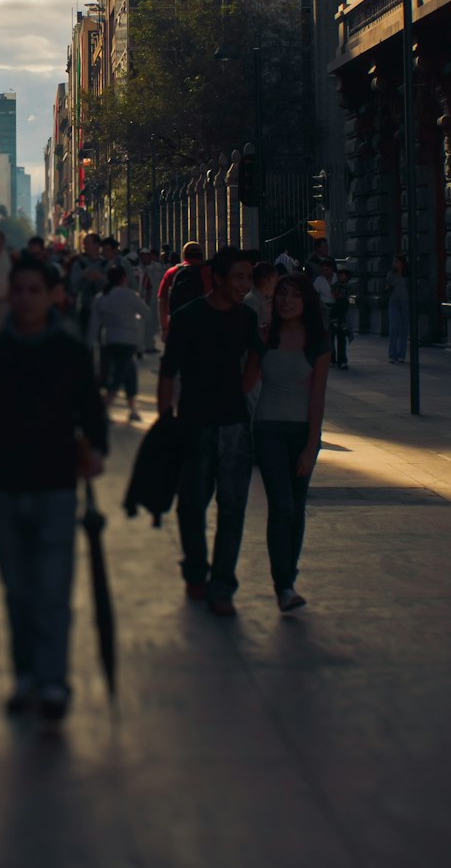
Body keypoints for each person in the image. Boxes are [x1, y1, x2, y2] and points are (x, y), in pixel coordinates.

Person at [0, 255, 107, 724]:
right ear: (8, 294)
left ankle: (53, 680)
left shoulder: (71, 352)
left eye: (35, 290)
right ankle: (24, 675)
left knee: (53, 591)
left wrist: (94, 448)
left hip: (57, 486)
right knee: (17, 590)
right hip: (6, 485)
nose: (25, 298)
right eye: (18, 290)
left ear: (52, 295)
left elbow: (91, 412)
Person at [157, 246, 262, 617]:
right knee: (192, 505)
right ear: (217, 277)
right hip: (194, 423)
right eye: (238, 277)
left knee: (232, 508)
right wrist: (164, 420)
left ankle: (222, 586)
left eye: (248, 278)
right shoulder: (188, 317)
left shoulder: (246, 318)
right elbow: (168, 371)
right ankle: (196, 571)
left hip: (234, 425)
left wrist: (242, 388)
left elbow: (256, 356)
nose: (244, 285)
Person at [244, 275, 329, 612]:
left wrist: (312, 445)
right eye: (281, 294)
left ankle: (288, 574)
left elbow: (317, 398)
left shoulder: (318, 342)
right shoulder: (265, 336)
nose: (286, 301)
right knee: (281, 505)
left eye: (294, 295)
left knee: (296, 506)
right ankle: (283, 585)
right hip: (268, 430)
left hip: (301, 432)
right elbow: (247, 382)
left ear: (306, 301)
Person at [87, 263, 149, 423]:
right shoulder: (130, 295)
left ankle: (133, 409)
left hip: (109, 339)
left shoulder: (101, 298)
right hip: (128, 340)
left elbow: (94, 325)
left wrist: (89, 345)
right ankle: (103, 409)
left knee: (128, 373)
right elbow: (146, 313)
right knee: (120, 374)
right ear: (124, 279)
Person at [158, 241, 210, 337]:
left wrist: (165, 327)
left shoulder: (172, 272)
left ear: (183, 255)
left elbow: (162, 299)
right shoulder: (210, 273)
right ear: (202, 255)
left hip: (179, 324)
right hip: (205, 324)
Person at [138, 248, 166, 352]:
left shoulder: (158, 267)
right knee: (146, 324)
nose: (144, 258)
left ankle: (149, 344)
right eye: (142, 256)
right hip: (145, 301)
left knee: (154, 324)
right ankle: (147, 345)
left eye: (146, 255)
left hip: (156, 300)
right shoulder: (139, 269)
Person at [385, 254, 409, 362]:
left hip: (405, 303)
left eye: (397, 261)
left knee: (404, 329)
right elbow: (387, 288)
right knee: (394, 328)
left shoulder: (407, 276)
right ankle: (392, 355)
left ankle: (401, 355)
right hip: (393, 302)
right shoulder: (391, 275)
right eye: (394, 261)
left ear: (402, 263)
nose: (394, 264)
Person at [244, 261, 278, 337]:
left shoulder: (266, 300)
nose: (276, 284)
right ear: (266, 281)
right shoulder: (251, 301)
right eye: (275, 280)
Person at [329, 267, 352, 369]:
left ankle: (342, 360)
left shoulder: (348, 288)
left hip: (342, 316)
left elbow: (343, 297)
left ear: (347, 277)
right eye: (339, 275)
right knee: (330, 339)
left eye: (342, 275)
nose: (339, 276)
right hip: (333, 315)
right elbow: (334, 296)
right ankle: (332, 359)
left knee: (341, 339)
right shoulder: (334, 286)